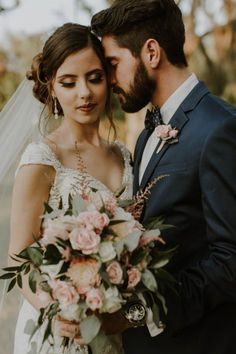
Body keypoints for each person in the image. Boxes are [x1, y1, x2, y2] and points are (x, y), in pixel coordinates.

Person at [91, 1, 236, 354]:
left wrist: (140, 313)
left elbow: (230, 260)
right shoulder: (145, 135)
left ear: (151, 52)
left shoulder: (220, 128)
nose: (110, 80)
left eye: (113, 65)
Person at [1, 23, 132, 354]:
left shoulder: (124, 155)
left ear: (108, 78)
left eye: (94, 78)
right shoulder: (42, 159)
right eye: (69, 83)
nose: (84, 93)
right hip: (57, 334)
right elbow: (19, 255)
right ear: (52, 88)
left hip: (113, 330)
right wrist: (57, 309)